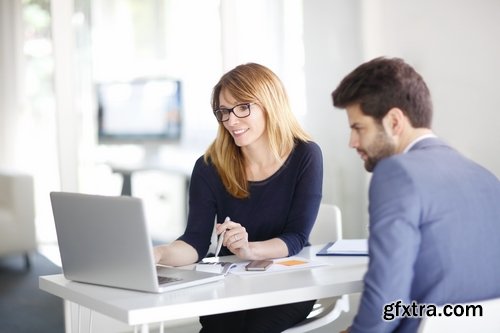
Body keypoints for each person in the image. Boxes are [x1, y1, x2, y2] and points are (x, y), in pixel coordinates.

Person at [331, 57, 500, 333]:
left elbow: (388, 301)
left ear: (394, 121)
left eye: (358, 128)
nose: (352, 142)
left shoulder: (396, 172)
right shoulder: (485, 176)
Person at [154, 62, 323, 333]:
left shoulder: (305, 155)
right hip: (230, 285)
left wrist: (249, 249)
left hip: (288, 283)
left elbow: (296, 237)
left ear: (270, 104)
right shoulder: (209, 166)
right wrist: (158, 253)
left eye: (243, 108)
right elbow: (195, 242)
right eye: (224, 111)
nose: (231, 120)